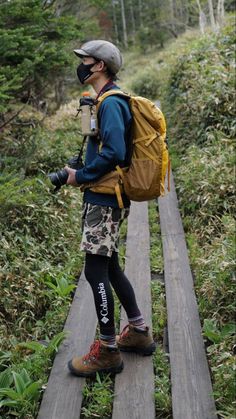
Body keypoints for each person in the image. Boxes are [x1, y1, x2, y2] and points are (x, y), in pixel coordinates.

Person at [66, 40, 156, 378]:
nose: (82, 65)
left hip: (104, 198)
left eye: (85, 60)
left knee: (95, 271)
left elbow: (116, 151)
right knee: (111, 267)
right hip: (105, 196)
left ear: (100, 65)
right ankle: (138, 331)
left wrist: (81, 176)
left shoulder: (112, 103)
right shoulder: (103, 101)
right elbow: (103, 144)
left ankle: (107, 350)